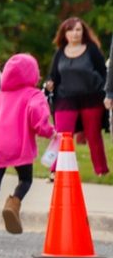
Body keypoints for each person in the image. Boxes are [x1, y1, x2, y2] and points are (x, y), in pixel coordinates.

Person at [0, 52, 51, 243]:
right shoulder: (33, 95)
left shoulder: (1, 95)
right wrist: (50, 132)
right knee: (25, 180)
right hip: (19, 146)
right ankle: (13, 204)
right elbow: (37, 118)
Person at [44, 18, 108, 176]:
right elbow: (52, 76)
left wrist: (107, 94)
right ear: (64, 34)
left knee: (93, 136)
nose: (75, 33)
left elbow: (104, 73)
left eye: (78, 30)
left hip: (91, 98)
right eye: (71, 30)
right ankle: (55, 171)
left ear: (83, 32)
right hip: (65, 99)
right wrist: (49, 83)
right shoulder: (60, 52)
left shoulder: (92, 50)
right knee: (62, 135)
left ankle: (101, 170)